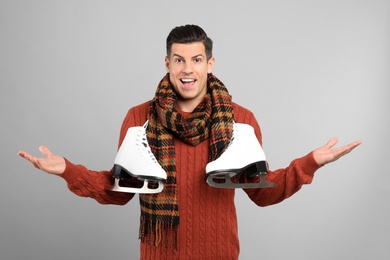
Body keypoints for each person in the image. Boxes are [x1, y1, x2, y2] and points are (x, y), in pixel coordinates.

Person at [18, 24, 361, 260]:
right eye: (179, 59)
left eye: (196, 60)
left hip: (220, 255)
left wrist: (310, 162)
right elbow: (119, 190)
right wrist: (67, 170)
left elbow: (262, 192)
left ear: (210, 64)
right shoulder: (140, 119)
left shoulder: (241, 121)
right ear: (167, 64)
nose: (187, 69)